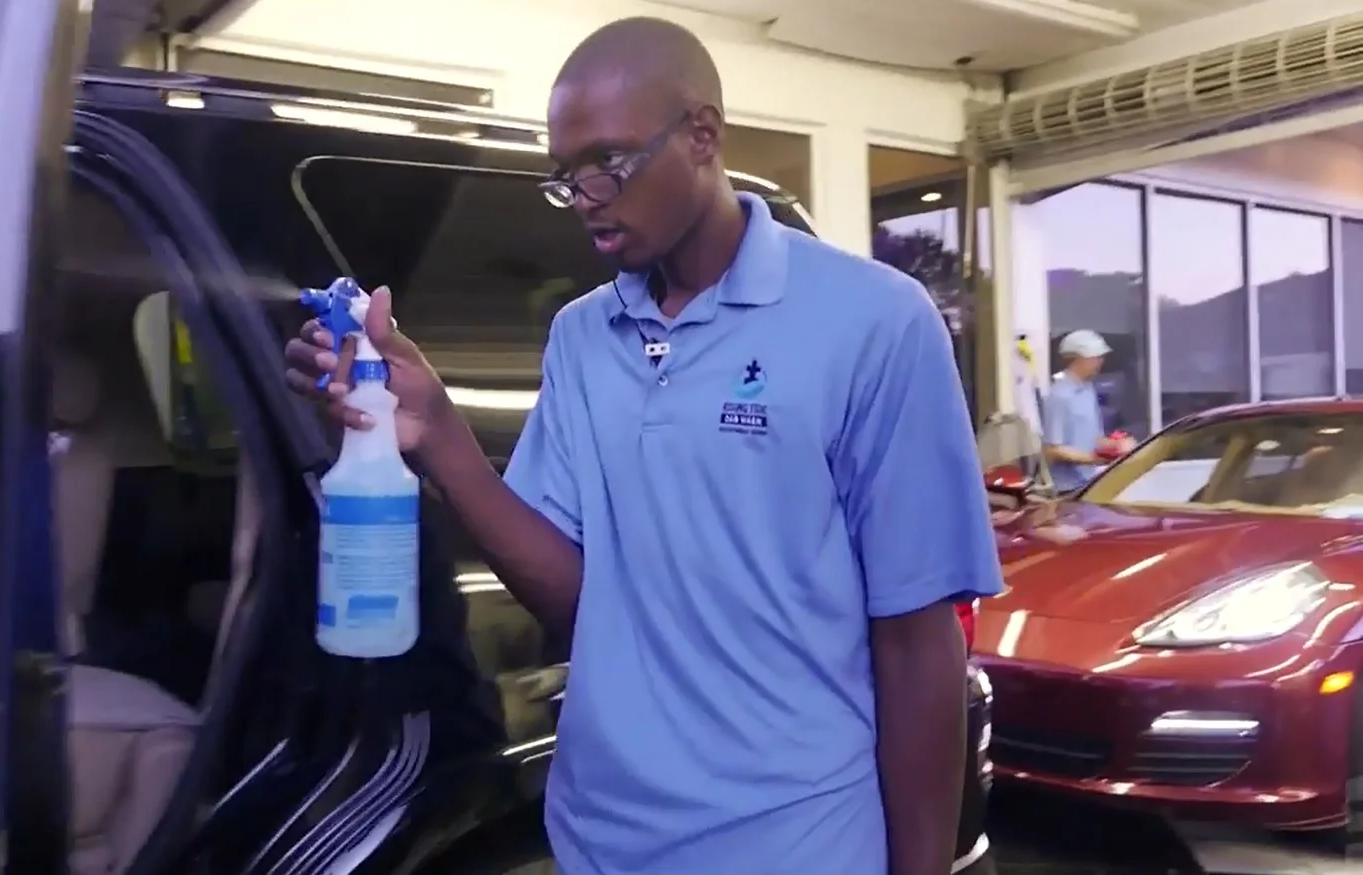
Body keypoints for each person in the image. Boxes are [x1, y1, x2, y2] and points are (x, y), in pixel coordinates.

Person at [284, 16, 1002, 875]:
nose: (586, 196)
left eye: (608, 165)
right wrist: (436, 433)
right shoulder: (582, 338)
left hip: (794, 839)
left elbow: (918, 641)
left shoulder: (874, 323)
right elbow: (577, 599)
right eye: (563, 178)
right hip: (600, 836)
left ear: (702, 135)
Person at [1043, 329, 1131, 492]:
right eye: (1095, 358)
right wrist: (1094, 459)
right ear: (1077, 359)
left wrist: (1117, 446)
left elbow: (1095, 439)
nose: (1100, 362)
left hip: (1092, 482)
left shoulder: (1088, 390)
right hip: (1069, 490)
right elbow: (1052, 450)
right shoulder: (1059, 396)